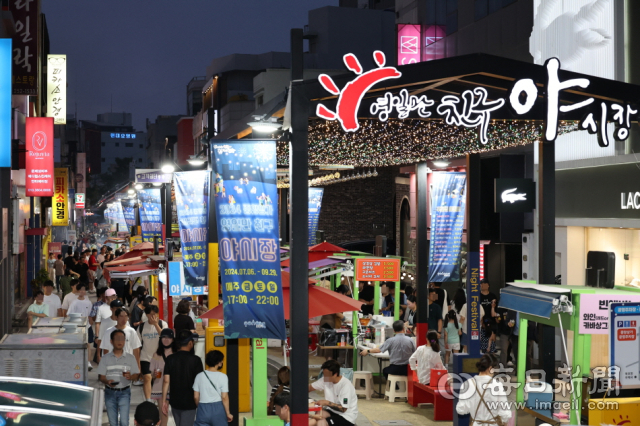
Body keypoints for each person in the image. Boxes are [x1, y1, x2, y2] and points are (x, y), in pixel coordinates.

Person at [97, 329, 141, 426]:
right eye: (117, 339)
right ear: (111, 341)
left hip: (124, 392)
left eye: (122, 339)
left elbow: (136, 375)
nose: (120, 342)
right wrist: (107, 381)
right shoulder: (105, 358)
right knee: (113, 423)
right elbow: (101, 376)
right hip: (109, 392)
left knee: (124, 422)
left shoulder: (130, 358)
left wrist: (131, 376)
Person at [455, 353, 512, 426]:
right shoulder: (497, 385)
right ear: (490, 368)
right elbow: (504, 410)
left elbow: (461, 410)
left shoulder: (467, 384)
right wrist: (504, 421)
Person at [162, 330, 204, 426]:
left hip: (175, 400)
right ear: (190, 343)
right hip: (190, 402)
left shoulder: (170, 359)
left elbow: (166, 381)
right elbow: (200, 383)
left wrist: (164, 400)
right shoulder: (196, 360)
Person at [308, 359, 358, 426]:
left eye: (327, 375)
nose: (324, 377)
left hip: (346, 416)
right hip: (332, 410)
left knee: (321, 421)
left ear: (335, 374)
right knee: (319, 415)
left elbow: (343, 409)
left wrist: (326, 402)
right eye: (323, 374)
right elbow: (310, 387)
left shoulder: (346, 386)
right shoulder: (325, 379)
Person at [193, 350, 233, 426]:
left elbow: (195, 396)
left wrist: (201, 407)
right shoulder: (223, 376)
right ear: (218, 362)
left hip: (202, 408)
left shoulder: (199, 376)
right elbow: (224, 397)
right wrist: (228, 413)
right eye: (221, 360)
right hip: (218, 409)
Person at [102, 308, 142, 379]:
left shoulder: (131, 331)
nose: (124, 319)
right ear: (116, 317)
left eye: (126, 316)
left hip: (127, 367)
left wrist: (138, 367)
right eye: (121, 316)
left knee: (126, 387)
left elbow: (136, 349)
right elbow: (105, 350)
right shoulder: (108, 331)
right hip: (112, 366)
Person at [138, 304, 168, 400]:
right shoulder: (141, 327)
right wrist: (137, 361)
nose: (153, 316)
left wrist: (155, 324)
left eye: (155, 314)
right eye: (150, 314)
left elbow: (165, 337)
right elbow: (137, 345)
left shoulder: (162, 324)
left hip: (159, 358)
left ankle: (157, 398)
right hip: (145, 357)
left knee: (157, 379)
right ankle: (148, 401)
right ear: (146, 315)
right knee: (147, 378)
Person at [150, 329, 175, 426]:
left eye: (169, 337)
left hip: (174, 388)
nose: (166, 340)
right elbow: (152, 374)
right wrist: (154, 375)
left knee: (177, 413)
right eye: (164, 337)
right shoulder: (156, 354)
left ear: (173, 339)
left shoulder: (176, 353)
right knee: (163, 413)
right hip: (160, 387)